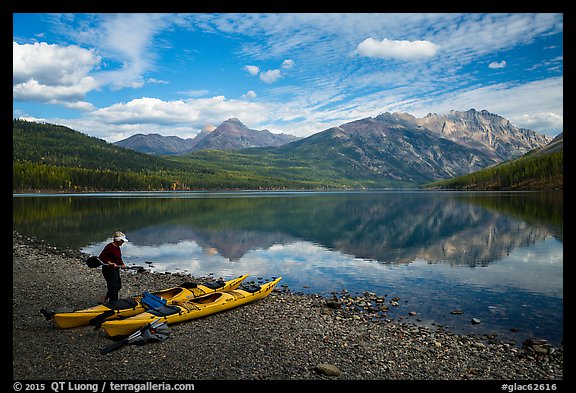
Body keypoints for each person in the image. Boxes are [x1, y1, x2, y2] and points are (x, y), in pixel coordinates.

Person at [99, 231, 128, 303]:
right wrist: (110, 263)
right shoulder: (109, 247)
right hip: (108, 270)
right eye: (122, 241)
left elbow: (118, 258)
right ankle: (113, 303)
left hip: (115, 269)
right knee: (113, 287)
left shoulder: (117, 247)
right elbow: (101, 257)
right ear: (118, 240)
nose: (123, 242)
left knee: (118, 286)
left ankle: (105, 299)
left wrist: (122, 264)